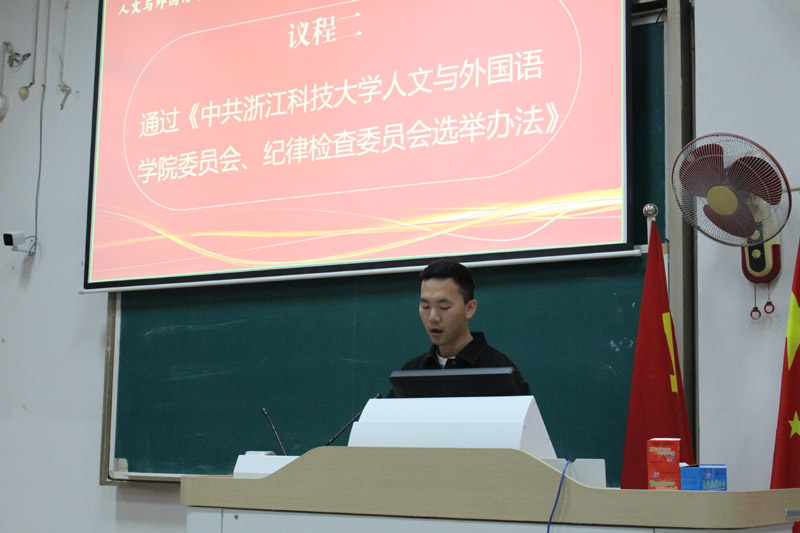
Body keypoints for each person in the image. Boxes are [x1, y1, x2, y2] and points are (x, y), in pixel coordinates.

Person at [396, 259, 531, 394]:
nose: (433, 317)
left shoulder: (500, 373)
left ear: (470, 308)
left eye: (444, 307)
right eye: (425, 306)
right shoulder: (411, 374)